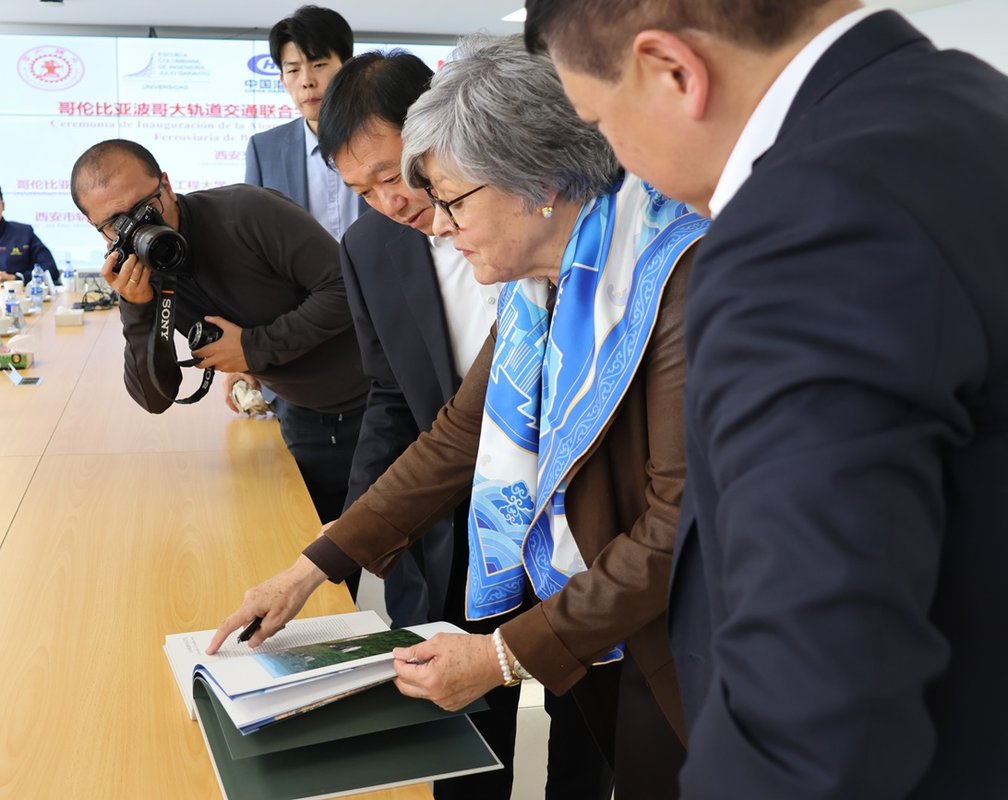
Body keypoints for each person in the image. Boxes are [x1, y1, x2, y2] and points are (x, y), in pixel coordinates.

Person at [524, 1, 1008, 797]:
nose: (623, 163)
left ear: (672, 70)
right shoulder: (969, 105)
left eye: (600, 122)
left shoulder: (805, 225)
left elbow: (816, 699)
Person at [209, 35, 707, 800]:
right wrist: (314, 566)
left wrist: (504, 656)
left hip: (683, 640)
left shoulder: (674, 273)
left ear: (535, 179)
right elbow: (454, 435)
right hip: (605, 614)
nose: (434, 225)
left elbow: (676, 527)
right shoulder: (539, 285)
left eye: (452, 199)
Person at [316, 50, 609, 800]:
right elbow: (422, 416)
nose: (396, 203)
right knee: (464, 757)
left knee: (588, 738)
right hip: (456, 541)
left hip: (589, 546)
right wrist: (334, 555)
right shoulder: (379, 251)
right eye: (363, 189)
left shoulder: (607, 263)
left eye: (397, 175)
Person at [70, 139, 368, 526]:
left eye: (146, 208)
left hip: (378, 400)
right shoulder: (144, 272)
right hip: (300, 412)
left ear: (167, 185)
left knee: (408, 561)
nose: (140, 227)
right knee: (319, 559)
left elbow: (347, 289)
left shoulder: (247, 212)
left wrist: (252, 349)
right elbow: (156, 398)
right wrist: (137, 307)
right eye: (116, 225)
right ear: (98, 229)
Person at [244, 5, 362, 241]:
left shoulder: (385, 136)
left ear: (348, 68)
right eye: (294, 70)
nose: (307, 81)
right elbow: (255, 236)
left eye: (318, 65)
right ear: (283, 80)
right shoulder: (264, 150)